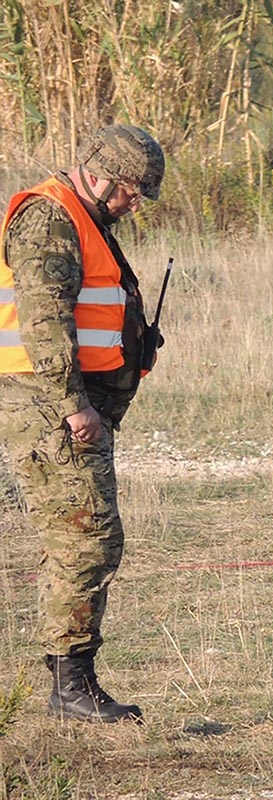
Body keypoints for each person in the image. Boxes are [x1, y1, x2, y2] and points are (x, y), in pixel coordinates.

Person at [0, 123, 166, 723]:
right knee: (86, 537)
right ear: (97, 175)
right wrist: (75, 406)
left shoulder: (83, 217)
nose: (134, 204)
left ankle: (69, 682)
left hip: (65, 403)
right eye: (129, 191)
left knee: (81, 537)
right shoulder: (50, 218)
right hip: (50, 405)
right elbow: (43, 323)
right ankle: (72, 687)